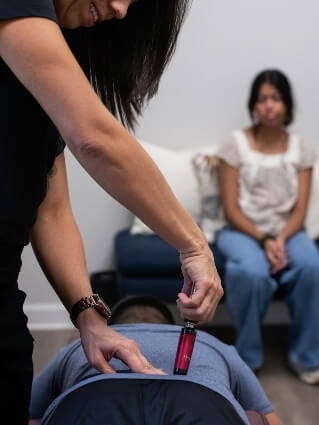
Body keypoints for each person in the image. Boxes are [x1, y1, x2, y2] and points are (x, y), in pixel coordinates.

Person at [0, 1, 223, 423]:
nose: (121, 9)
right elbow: (94, 138)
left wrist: (89, 317)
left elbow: (51, 209)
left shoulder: (50, 61)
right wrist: (195, 246)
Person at [216, 69, 319, 385]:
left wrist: (279, 238)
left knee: (312, 268)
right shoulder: (233, 144)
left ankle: (308, 357)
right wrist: (265, 239)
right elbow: (231, 209)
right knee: (250, 272)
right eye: (263, 99)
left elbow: (300, 209)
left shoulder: (301, 148)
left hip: (288, 231)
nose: (269, 106)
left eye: (276, 98)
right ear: (253, 104)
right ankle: (248, 358)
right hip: (242, 230)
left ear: (287, 105)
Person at [29, 295, 283, 425]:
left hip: (92, 408)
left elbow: (28, 413)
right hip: (202, 410)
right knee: (253, 416)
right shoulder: (213, 344)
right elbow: (270, 418)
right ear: (170, 327)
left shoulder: (79, 346)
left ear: (115, 326)